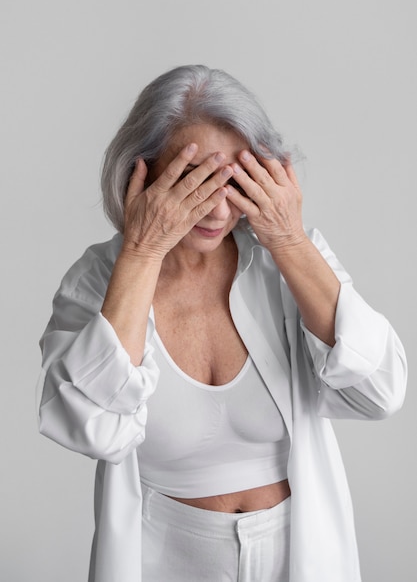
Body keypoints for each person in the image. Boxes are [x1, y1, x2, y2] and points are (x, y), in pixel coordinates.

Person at [38, 65, 407, 582]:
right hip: (164, 555)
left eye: (233, 180)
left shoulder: (289, 259)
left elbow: (380, 391)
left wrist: (290, 242)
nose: (216, 207)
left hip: (294, 549)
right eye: (193, 179)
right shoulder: (101, 278)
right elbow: (88, 424)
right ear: (140, 174)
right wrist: (143, 251)